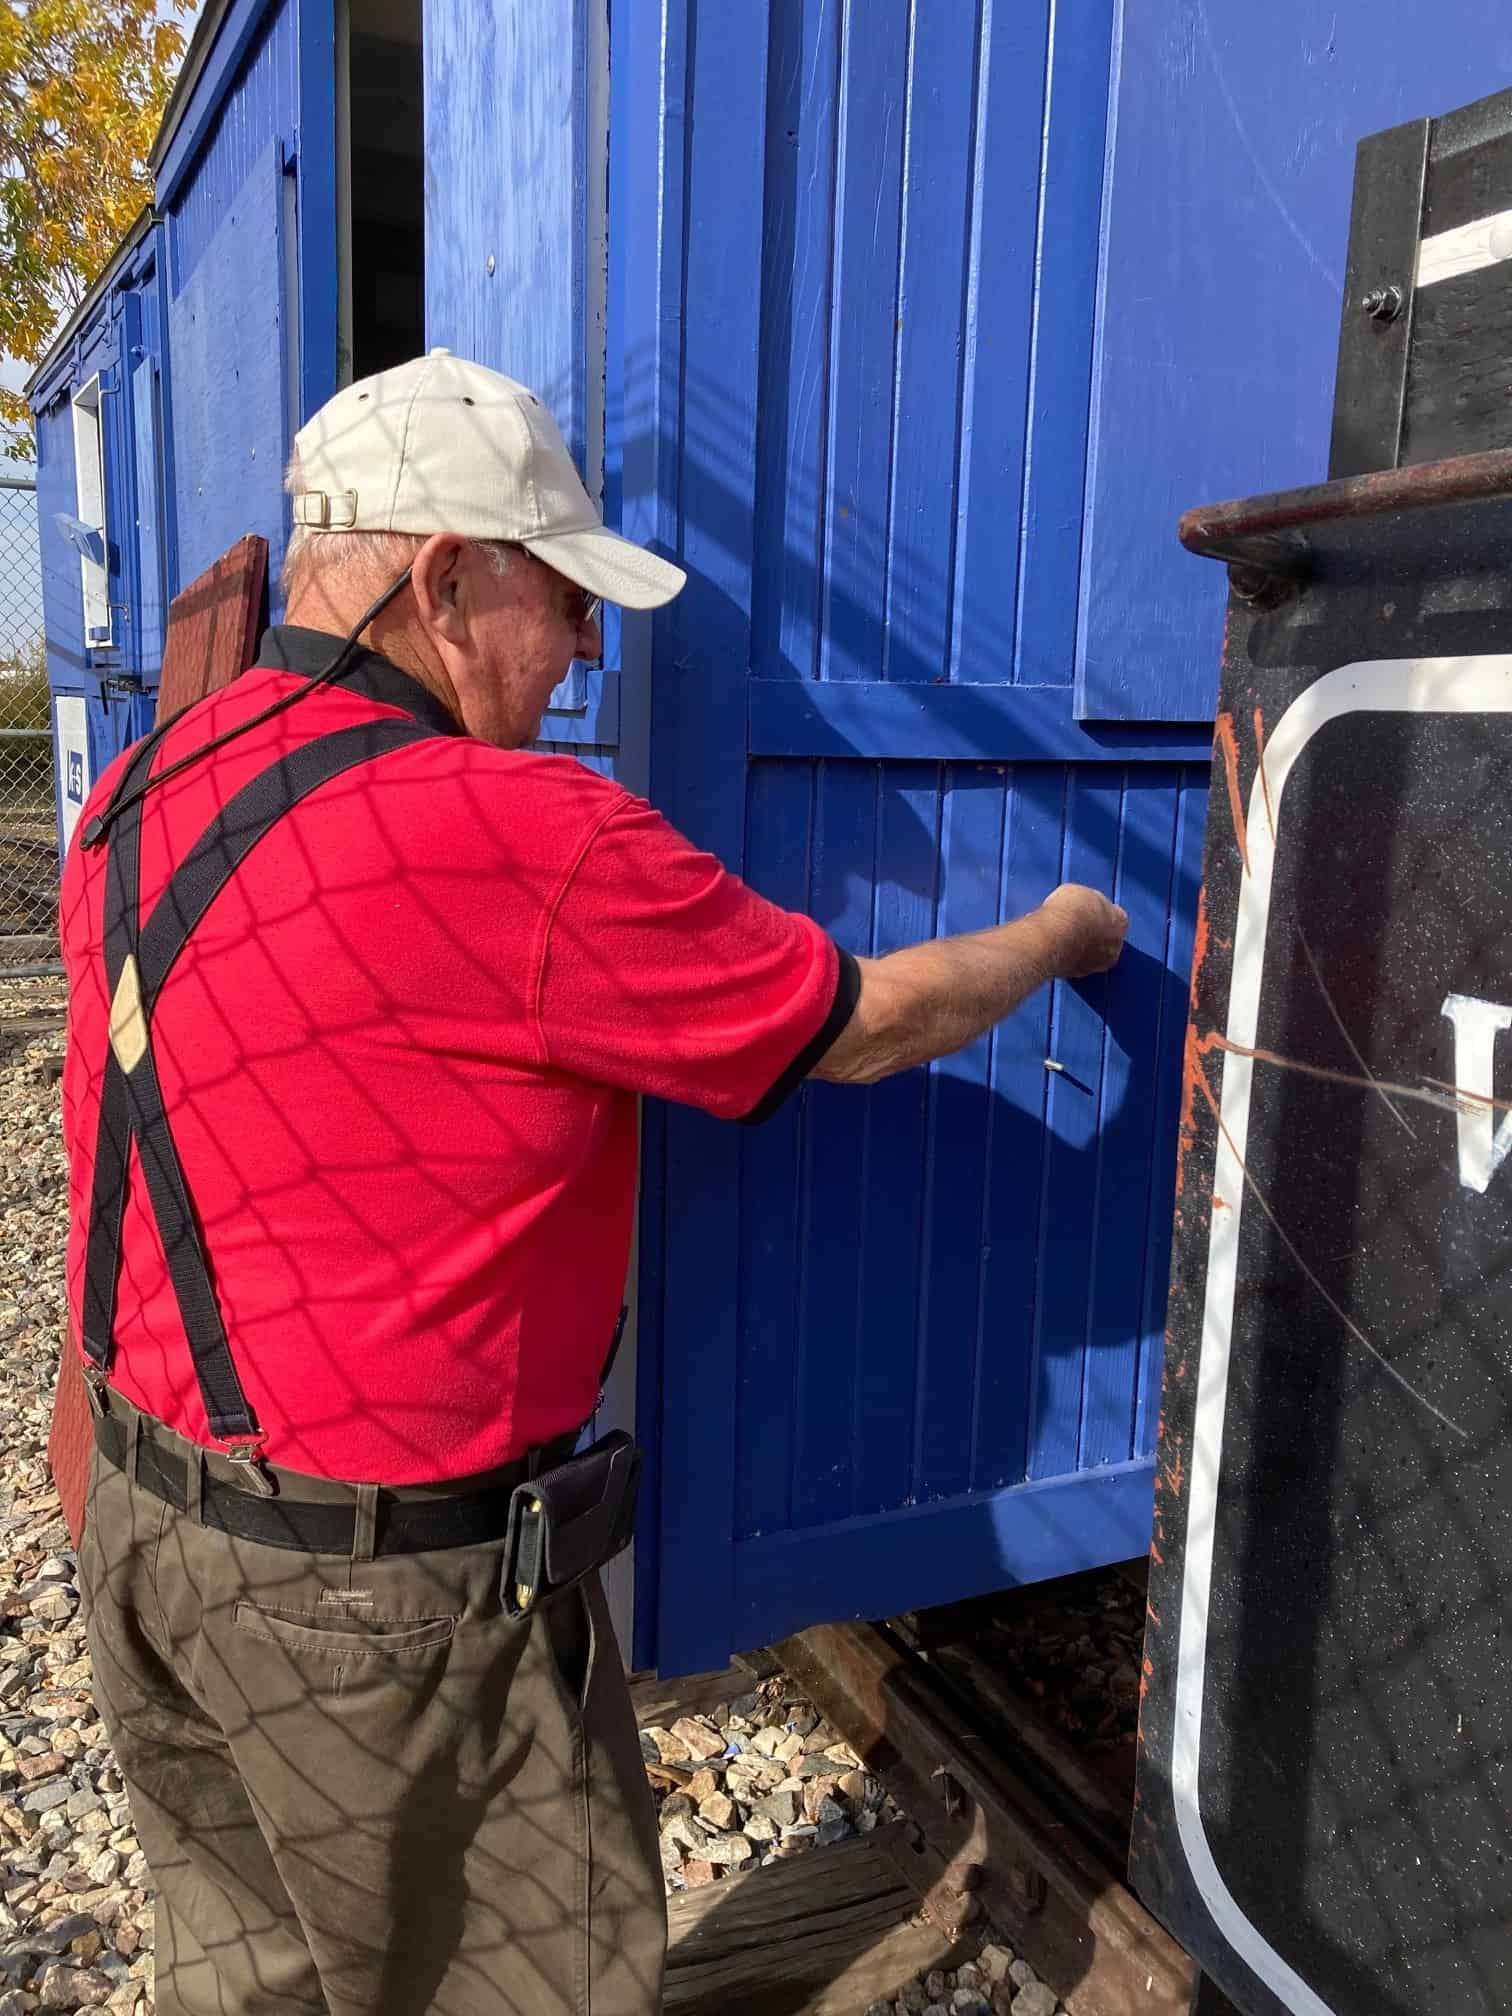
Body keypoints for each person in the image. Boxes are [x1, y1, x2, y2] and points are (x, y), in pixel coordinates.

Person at [59, 350, 1127, 2016]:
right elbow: (858, 1027)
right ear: (442, 578)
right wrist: (1065, 935)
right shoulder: (522, 836)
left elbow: (128, 1129)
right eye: (563, 606)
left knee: (251, 1975)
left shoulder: (140, 789)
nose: (581, 660)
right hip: (385, 1614)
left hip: (147, 1538)